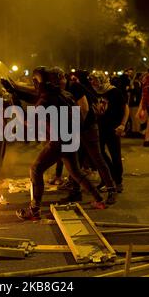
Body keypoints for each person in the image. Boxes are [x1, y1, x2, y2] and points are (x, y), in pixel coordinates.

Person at [16, 67, 107, 221]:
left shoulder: (46, 98)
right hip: (71, 138)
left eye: (35, 81)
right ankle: (99, 200)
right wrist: (15, 91)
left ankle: (34, 210)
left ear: (40, 82)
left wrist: (14, 106)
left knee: (36, 169)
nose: (34, 85)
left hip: (58, 140)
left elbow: (28, 121)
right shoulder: (64, 94)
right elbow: (34, 97)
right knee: (76, 172)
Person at [53, 68, 117, 205]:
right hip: (78, 128)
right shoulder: (59, 90)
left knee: (97, 158)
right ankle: (75, 192)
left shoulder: (74, 87)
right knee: (75, 162)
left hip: (88, 127)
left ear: (63, 78)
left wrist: (75, 128)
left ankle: (112, 190)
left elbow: (85, 108)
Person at [90, 71, 129, 194]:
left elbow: (125, 108)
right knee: (100, 155)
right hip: (99, 129)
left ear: (101, 80)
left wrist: (122, 125)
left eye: (95, 80)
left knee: (115, 155)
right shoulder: (94, 92)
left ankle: (118, 181)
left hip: (113, 128)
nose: (92, 83)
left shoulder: (114, 92)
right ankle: (106, 179)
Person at [128, 72, 143, 138]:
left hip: (134, 103)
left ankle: (135, 131)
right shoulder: (137, 83)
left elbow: (134, 92)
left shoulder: (134, 83)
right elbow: (137, 92)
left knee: (134, 118)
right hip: (135, 103)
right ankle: (136, 132)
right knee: (135, 118)